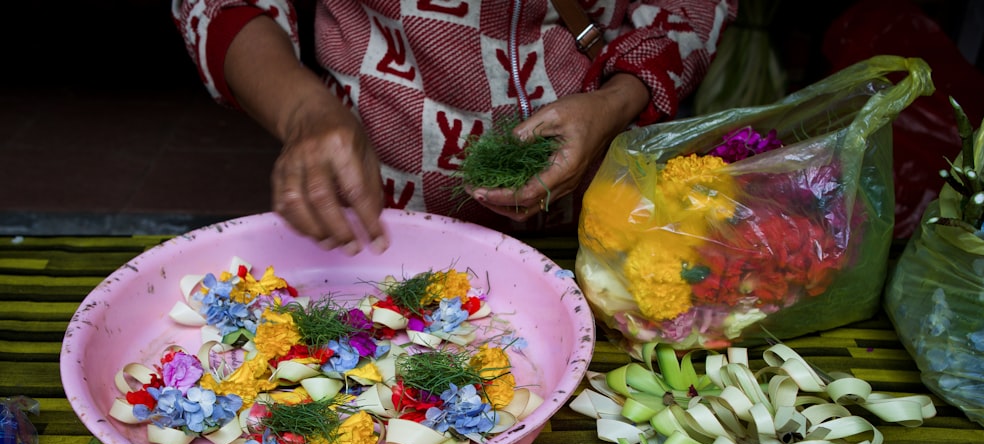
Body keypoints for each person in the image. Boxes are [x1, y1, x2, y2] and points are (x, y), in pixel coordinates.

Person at [172, 0, 738, 252]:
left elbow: (690, 5)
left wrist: (618, 101)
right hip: (379, 208)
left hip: (592, 213)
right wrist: (305, 113)